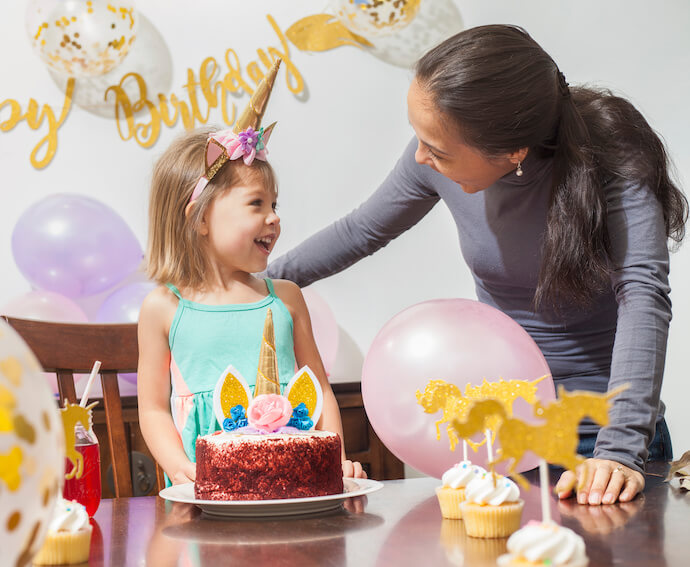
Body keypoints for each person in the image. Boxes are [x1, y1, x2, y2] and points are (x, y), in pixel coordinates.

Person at [267, 25, 687, 505]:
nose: (421, 157)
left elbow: (643, 295)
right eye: (418, 139)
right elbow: (362, 231)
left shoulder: (612, 157)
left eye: (439, 150)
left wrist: (620, 449)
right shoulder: (430, 156)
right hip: (502, 441)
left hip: (597, 446)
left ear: (513, 152)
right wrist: (250, 285)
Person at [137, 60, 365, 486]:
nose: (274, 218)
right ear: (200, 218)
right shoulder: (165, 307)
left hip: (293, 484)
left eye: (275, 205)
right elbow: (151, 407)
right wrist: (177, 468)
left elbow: (320, 391)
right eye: (256, 204)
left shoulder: (287, 298)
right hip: (207, 491)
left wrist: (335, 457)